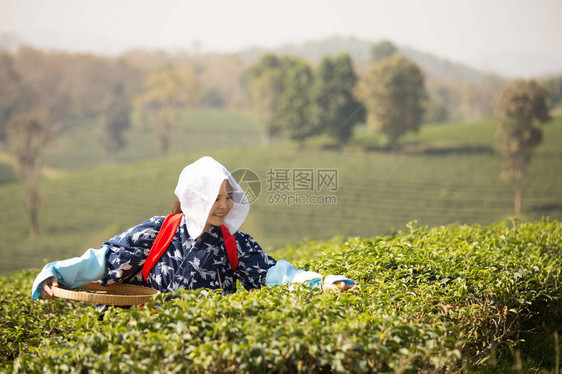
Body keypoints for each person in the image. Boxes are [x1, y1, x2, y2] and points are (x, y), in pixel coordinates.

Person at [32, 156, 356, 301]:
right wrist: (54, 273)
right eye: (216, 198)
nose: (225, 206)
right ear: (195, 198)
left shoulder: (235, 244)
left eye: (228, 197)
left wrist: (321, 283)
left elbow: (274, 274)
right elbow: (103, 260)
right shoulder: (157, 232)